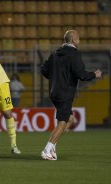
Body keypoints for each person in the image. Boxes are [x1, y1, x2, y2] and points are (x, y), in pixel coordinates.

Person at [40, 30, 102, 160]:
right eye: (78, 39)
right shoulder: (73, 54)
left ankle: (53, 147)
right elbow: (81, 74)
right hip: (65, 93)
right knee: (63, 122)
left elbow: (44, 70)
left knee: (70, 119)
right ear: (74, 40)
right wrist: (94, 74)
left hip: (54, 91)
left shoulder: (55, 53)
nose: (79, 41)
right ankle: (47, 150)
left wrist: (55, 78)